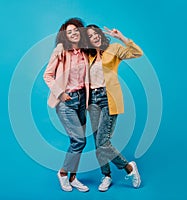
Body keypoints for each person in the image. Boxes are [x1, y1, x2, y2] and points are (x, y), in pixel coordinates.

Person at [85, 24, 143, 191]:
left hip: (108, 98)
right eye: (89, 36)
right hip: (93, 101)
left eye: (96, 33)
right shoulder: (88, 57)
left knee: (103, 142)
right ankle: (106, 176)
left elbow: (137, 53)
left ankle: (129, 168)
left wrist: (122, 37)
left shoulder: (114, 48)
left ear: (100, 35)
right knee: (98, 143)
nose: (94, 37)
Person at [43, 18, 90, 192]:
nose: (73, 34)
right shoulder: (61, 51)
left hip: (81, 100)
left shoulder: (85, 52)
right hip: (66, 101)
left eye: (76, 30)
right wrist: (60, 93)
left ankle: (74, 177)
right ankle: (63, 173)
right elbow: (47, 75)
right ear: (65, 35)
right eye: (69, 32)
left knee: (77, 141)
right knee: (79, 140)